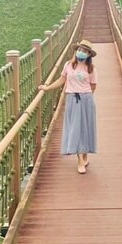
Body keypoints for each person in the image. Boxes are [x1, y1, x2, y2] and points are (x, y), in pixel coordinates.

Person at [39, 39, 98, 174]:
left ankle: (85, 156)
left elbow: (93, 86)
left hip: (86, 99)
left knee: (86, 128)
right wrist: (47, 88)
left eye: (84, 51)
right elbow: (61, 80)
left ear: (89, 54)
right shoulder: (68, 65)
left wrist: (85, 96)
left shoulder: (91, 69)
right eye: (79, 50)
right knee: (75, 129)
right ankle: (80, 161)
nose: (81, 53)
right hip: (72, 99)